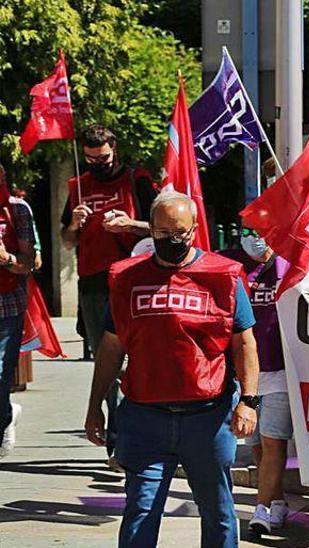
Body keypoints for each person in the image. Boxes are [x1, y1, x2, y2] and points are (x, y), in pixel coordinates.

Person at [82, 192, 259, 547]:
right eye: (163, 233)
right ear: (151, 230)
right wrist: (95, 406)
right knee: (141, 512)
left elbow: (244, 343)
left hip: (208, 419)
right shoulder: (126, 278)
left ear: (194, 230)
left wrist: (249, 402)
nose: (172, 241)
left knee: (218, 512)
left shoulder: (222, 276)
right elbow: (111, 347)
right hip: (145, 418)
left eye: (180, 233)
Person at [60, 124, 158, 462]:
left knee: (138, 360)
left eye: (102, 158)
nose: (96, 164)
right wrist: (73, 224)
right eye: (90, 158)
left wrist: (130, 224)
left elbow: (162, 226)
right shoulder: (78, 186)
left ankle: (140, 436)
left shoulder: (137, 180)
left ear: (114, 149)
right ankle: (118, 440)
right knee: (107, 365)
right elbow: (66, 241)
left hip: (135, 281)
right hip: (93, 285)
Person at [218, 229, 292, 535]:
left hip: (280, 374)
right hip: (248, 377)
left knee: (274, 443)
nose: (253, 237)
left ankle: (260, 511)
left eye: (260, 230)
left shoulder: (290, 266)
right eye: (246, 231)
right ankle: (276, 502)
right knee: (259, 445)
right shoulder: (233, 264)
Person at [0, 164, 37, 460]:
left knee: (0, 374)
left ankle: (3, 420)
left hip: (7, 305)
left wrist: (5, 258)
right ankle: (6, 412)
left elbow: (28, 263)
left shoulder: (17, 210)